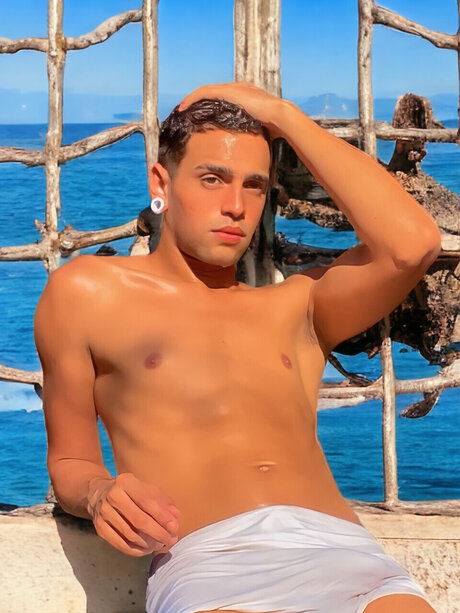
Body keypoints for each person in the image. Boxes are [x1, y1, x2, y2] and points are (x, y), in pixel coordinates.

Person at [33, 82, 441, 613]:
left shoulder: (298, 306)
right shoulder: (87, 292)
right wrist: (99, 494)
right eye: (212, 178)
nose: (235, 207)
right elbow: (70, 460)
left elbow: (413, 244)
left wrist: (283, 115)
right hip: (211, 564)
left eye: (254, 186)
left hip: (345, 555)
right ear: (161, 182)